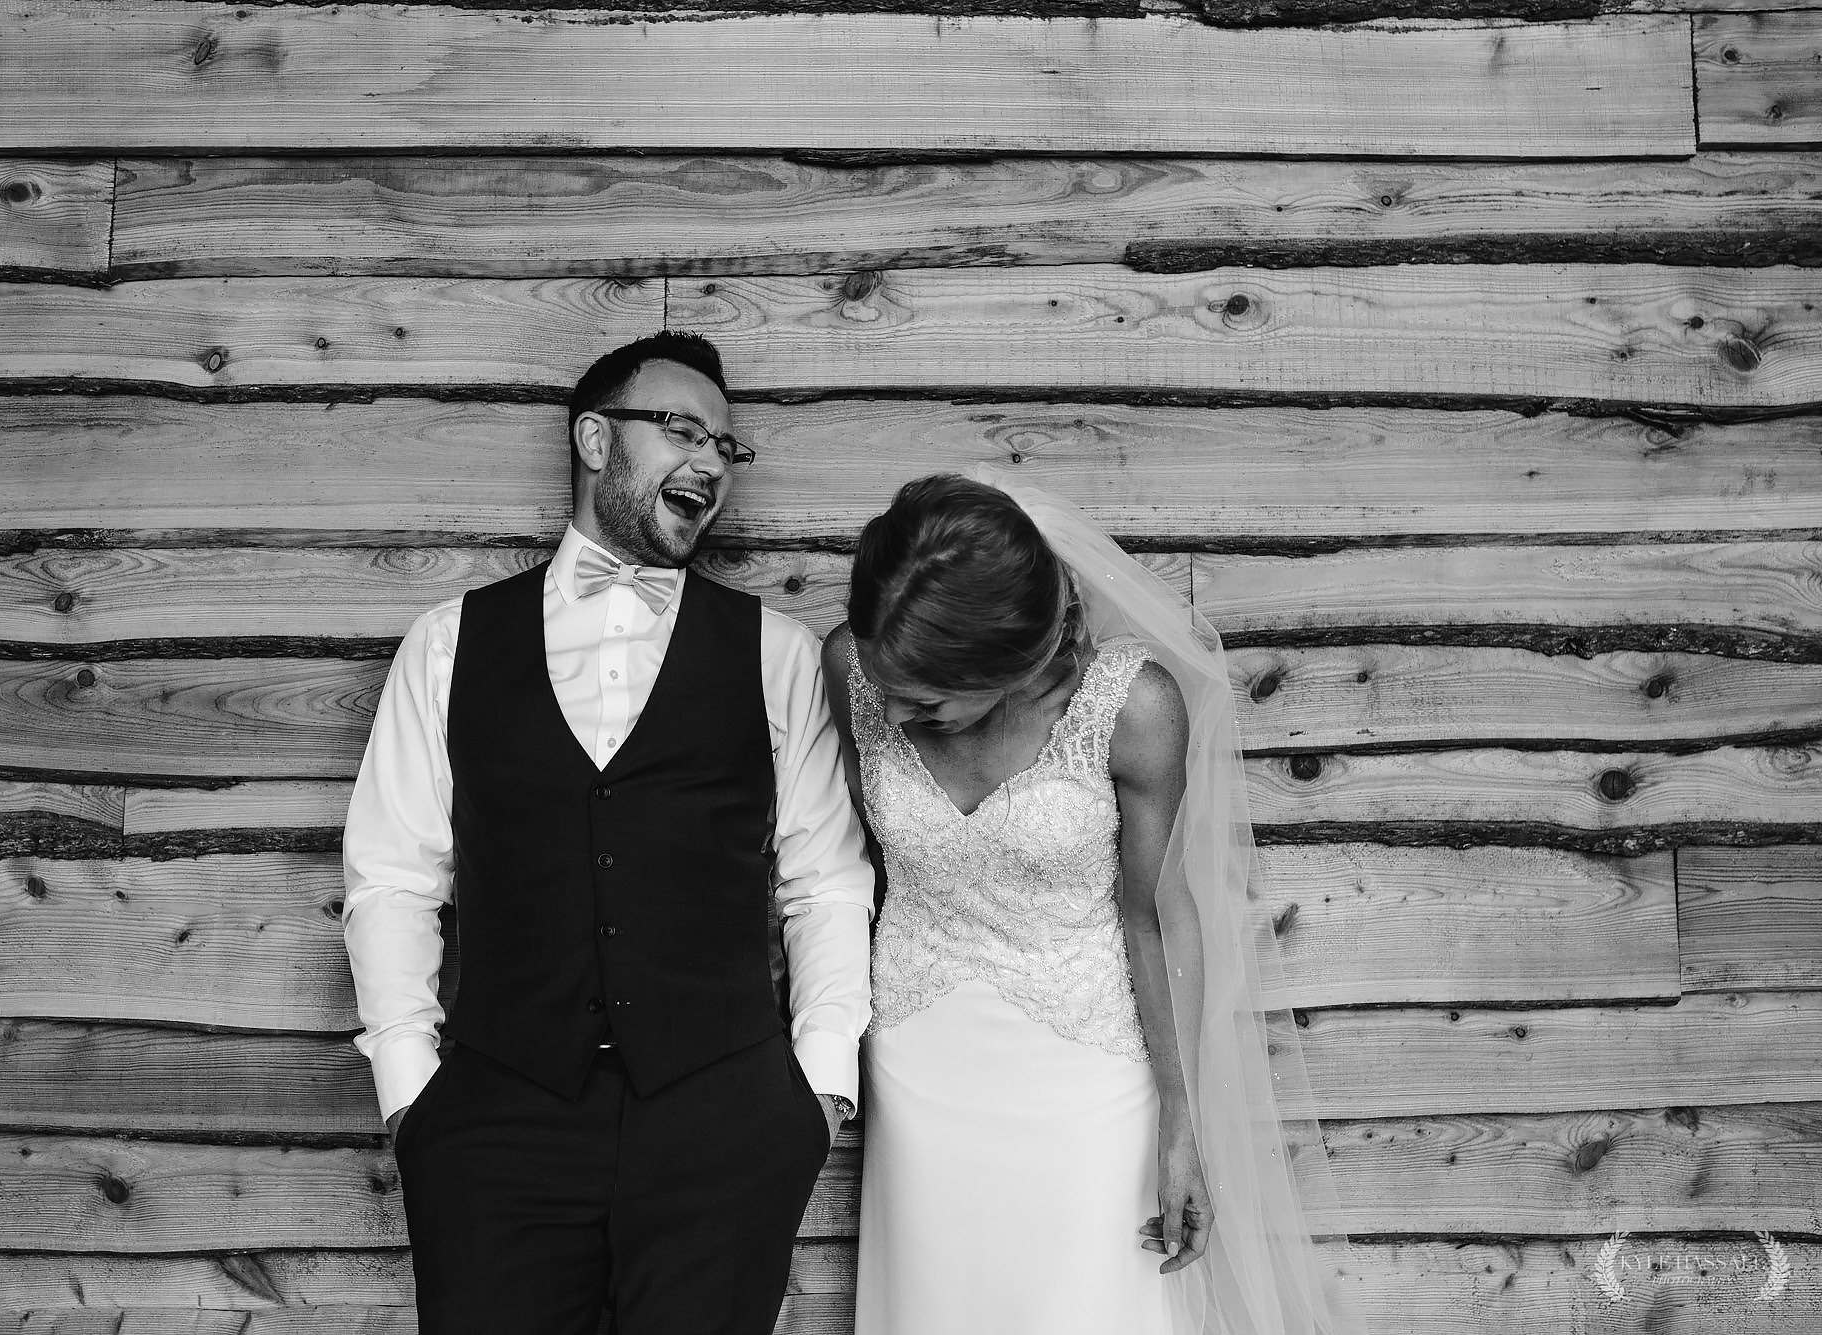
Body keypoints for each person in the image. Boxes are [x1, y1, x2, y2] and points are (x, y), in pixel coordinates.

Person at [341, 330, 874, 1335]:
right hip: (499, 1123)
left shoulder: (777, 652)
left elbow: (825, 882)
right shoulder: (448, 644)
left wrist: (817, 1093)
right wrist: (415, 1101)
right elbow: (393, 877)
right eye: (681, 430)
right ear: (593, 440)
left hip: (723, 1119)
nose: (711, 461)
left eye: (726, 445)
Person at [822, 471, 1365, 1335]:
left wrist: (1183, 1124)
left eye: (926, 701)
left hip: (1087, 1078)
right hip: (920, 1068)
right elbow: (857, 868)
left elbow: (1155, 914)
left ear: (1011, 666)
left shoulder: (1133, 707)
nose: (891, 710)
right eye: (888, 685)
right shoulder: (852, 665)